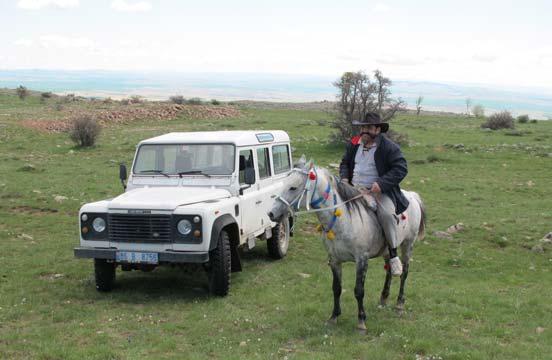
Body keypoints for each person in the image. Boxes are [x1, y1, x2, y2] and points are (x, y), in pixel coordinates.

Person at [339, 112, 409, 276]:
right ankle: (336, 250)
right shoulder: (354, 144)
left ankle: (392, 255)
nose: (364, 131)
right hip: (353, 188)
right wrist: (344, 178)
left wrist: (381, 184)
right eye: (362, 127)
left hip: (377, 192)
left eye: (368, 128)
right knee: (333, 208)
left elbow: (401, 168)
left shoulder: (389, 147)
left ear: (378, 129)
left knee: (386, 215)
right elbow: (344, 163)